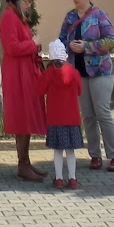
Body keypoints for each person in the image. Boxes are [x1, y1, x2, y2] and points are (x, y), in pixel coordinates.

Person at [61, 0, 114, 173]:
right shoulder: (70, 17)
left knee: (103, 113)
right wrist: (67, 46)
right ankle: (95, 155)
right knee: (87, 115)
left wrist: (86, 47)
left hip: (100, 72)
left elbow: (111, 40)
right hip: (78, 72)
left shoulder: (99, 15)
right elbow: (62, 38)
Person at [0, 0, 46, 183]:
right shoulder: (9, 17)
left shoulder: (18, 17)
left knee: (26, 117)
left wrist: (35, 46)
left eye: (30, 2)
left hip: (25, 72)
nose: (28, 5)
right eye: (26, 2)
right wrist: (33, 44)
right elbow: (11, 47)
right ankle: (23, 165)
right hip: (17, 74)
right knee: (22, 117)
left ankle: (25, 162)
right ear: (17, 1)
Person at [39, 39, 84, 189]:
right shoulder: (74, 72)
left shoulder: (49, 73)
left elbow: (40, 90)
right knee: (70, 151)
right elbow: (79, 90)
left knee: (58, 150)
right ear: (64, 55)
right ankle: (72, 178)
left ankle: (58, 178)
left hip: (54, 119)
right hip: (72, 118)